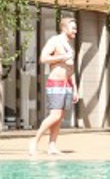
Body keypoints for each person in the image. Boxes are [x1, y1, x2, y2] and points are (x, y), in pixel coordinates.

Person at [29, 18, 79, 156]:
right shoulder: (55, 41)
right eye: (73, 28)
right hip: (56, 83)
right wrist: (62, 57)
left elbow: (71, 69)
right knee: (55, 115)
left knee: (59, 117)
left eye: (76, 28)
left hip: (67, 84)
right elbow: (43, 58)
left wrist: (75, 89)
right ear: (64, 28)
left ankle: (52, 146)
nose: (75, 31)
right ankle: (34, 141)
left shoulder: (69, 46)